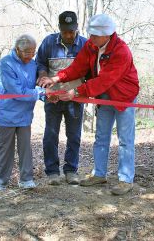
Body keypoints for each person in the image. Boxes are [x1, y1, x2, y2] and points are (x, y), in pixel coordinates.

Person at [41, 14, 140, 195]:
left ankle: (126, 179)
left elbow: (104, 80)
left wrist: (77, 92)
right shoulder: (91, 46)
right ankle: (99, 174)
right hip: (103, 96)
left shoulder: (121, 51)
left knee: (125, 139)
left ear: (107, 35)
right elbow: (77, 68)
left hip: (124, 97)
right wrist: (56, 78)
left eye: (95, 35)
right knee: (101, 136)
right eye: (91, 34)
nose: (91, 38)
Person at [36, 11, 87, 185]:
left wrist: (79, 91)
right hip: (52, 98)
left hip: (75, 98)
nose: (68, 35)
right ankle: (52, 172)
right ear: (59, 29)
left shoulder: (85, 45)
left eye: (71, 32)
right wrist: (44, 80)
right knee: (51, 135)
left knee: (74, 136)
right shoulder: (49, 42)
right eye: (65, 32)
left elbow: (90, 71)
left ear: (77, 28)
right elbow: (40, 63)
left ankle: (71, 170)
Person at [0, 34, 47, 191]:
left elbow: (38, 87)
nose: (30, 55)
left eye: (33, 52)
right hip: (5, 113)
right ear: (17, 49)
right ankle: (1, 181)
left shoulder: (33, 64)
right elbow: (17, 91)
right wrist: (40, 93)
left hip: (24, 114)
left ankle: (26, 179)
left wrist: (48, 96)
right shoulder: (5, 65)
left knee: (25, 147)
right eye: (27, 52)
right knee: (5, 148)